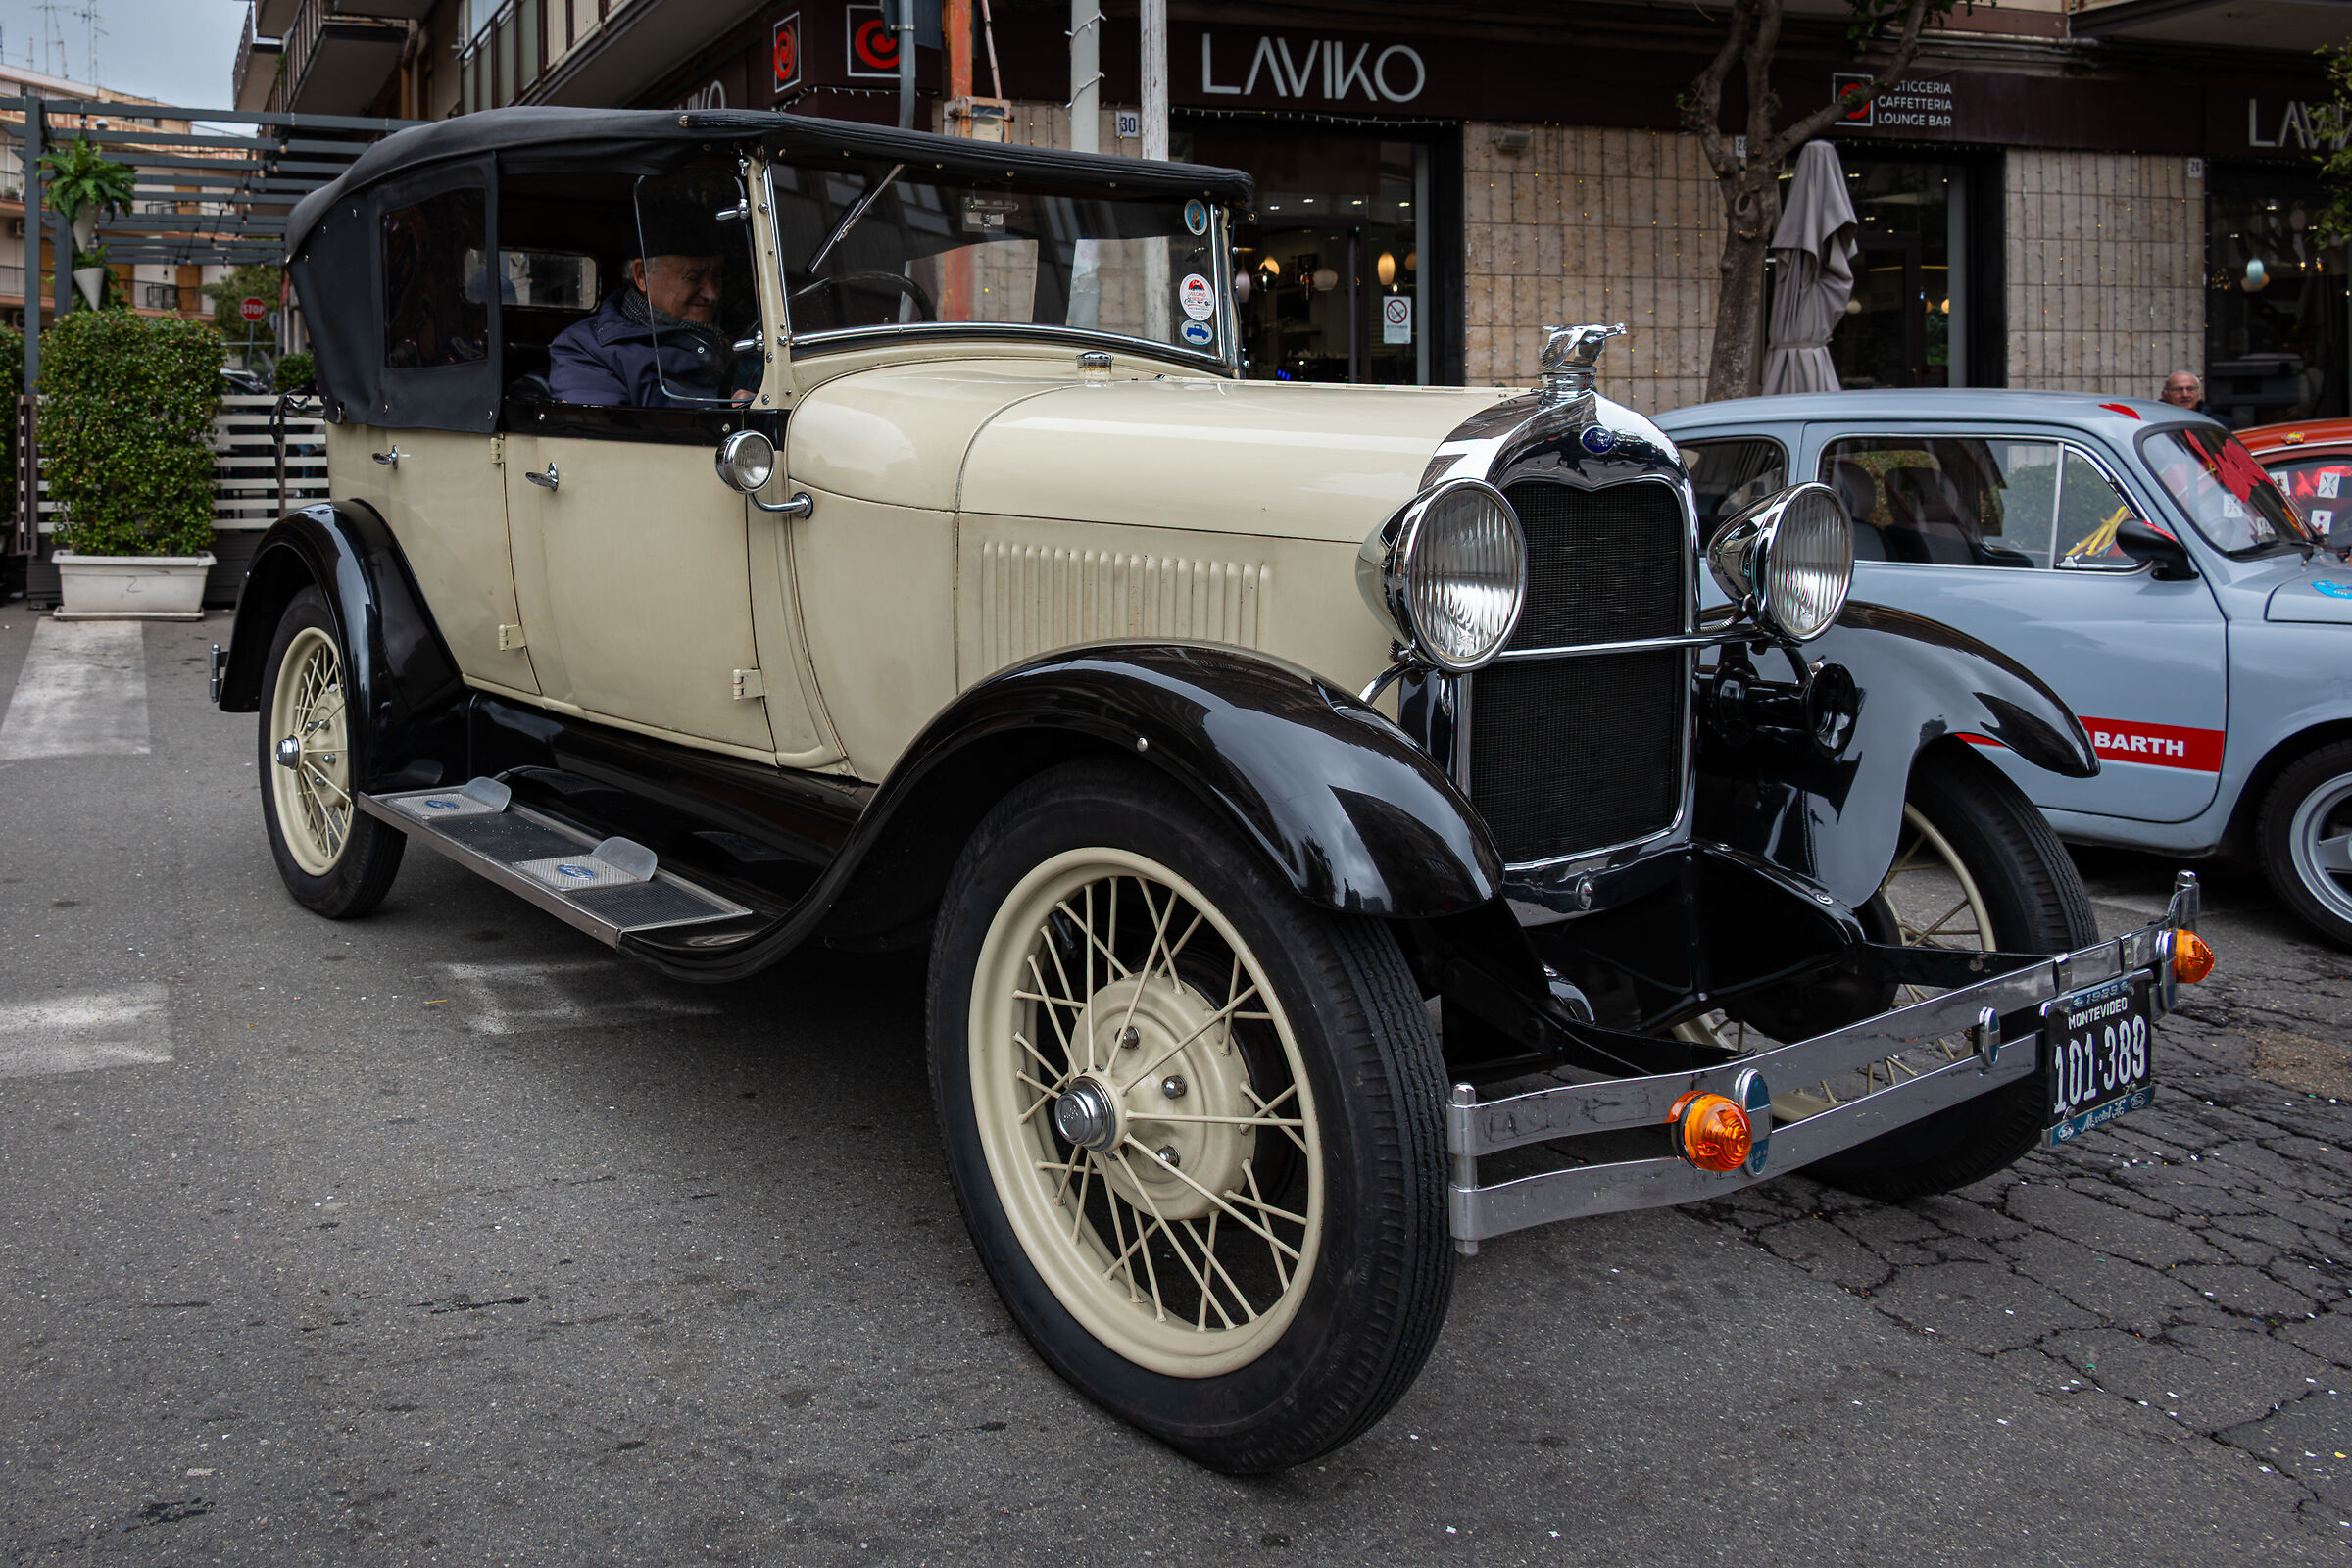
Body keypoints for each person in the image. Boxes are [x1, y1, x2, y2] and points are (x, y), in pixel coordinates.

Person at [547, 193, 753, 407]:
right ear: (642, 275)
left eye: (718, 274)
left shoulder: (744, 332)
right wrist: (724, 412)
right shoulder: (587, 350)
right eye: (694, 276)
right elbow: (603, 434)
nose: (712, 293)